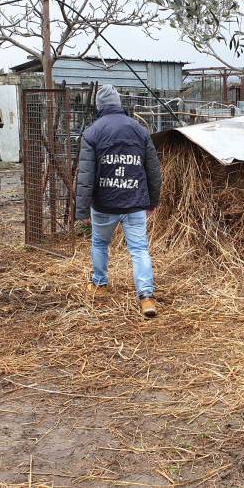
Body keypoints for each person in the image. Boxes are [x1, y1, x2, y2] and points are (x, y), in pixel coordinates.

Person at [75, 85, 162, 318]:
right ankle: (146, 297)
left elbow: (85, 176)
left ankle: (100, 285)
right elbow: (153, 171)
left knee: (100, 244)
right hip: (135, 203)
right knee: (139, 249)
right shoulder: (140, 130)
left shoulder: (92, 132)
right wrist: (152, 201)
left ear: (99, 106)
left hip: (104, 205)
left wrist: (82, 209)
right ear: (119, 103)